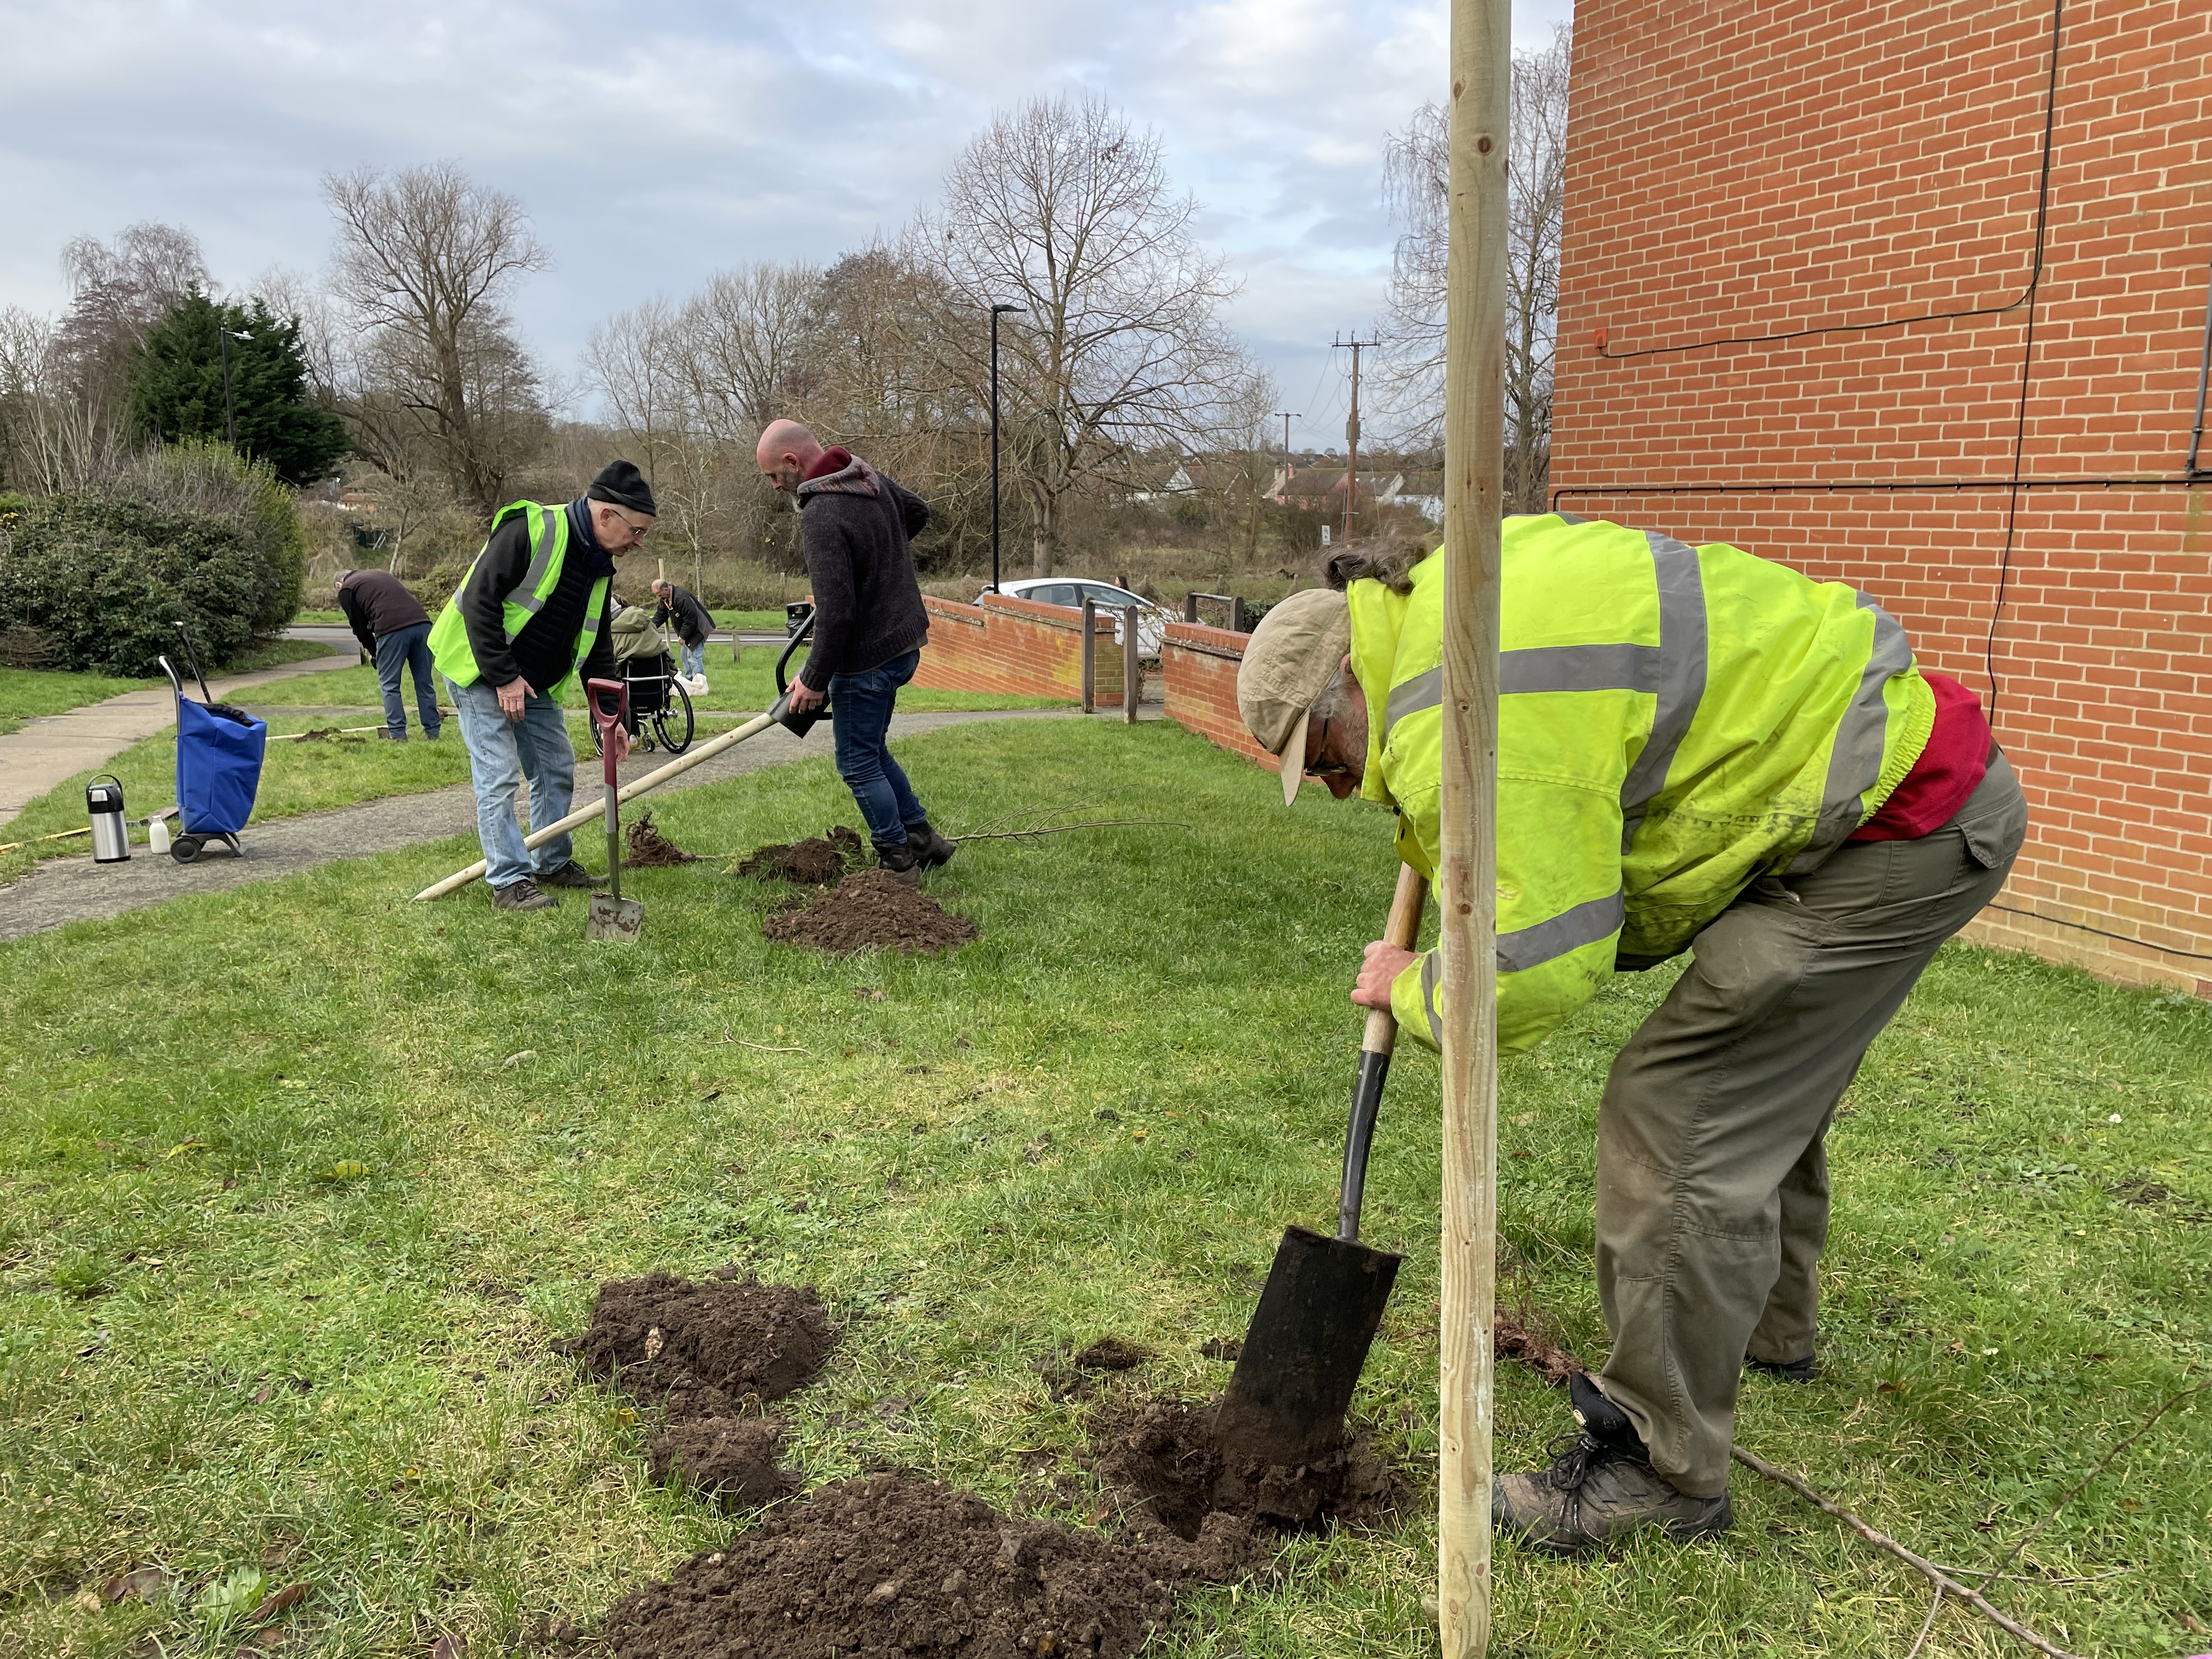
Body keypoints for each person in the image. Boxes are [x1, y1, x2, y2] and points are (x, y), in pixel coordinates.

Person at [1235, 514, 2027, 1554]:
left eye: (1324, 753)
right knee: (1755, 1069)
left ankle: (1663, 1469)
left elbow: (1529, 970)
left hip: (1898, 827)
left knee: (1680, 1109)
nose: (1337, 782)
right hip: (1883, 784)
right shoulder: (1448, 599)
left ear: (1349, 675)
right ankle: (1768, 1333)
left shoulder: (1456, 709)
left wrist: (1416, 981)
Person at [426, 461, 652, 912]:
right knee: (499, 773)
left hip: (537, 683)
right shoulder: (533, 531)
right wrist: (504, 677)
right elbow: (479, 599)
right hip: (477, 667)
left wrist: (613, 719)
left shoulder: (599, 565)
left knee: (556, 767)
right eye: (637, 530)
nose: (639, 541)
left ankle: (551, 862)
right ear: (606, 515)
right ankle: (509, 882)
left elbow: (598, 642)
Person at [755, 419, 955, 884]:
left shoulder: (821, 511)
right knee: (872, 748)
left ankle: (897, 862)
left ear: (793, 462)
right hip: (903, 642)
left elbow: (839, 614)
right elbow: (918, 511)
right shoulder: (866, 477)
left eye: (773, 476)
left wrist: (814, 678)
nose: (772, 487)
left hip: (868, 656)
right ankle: (924, 839)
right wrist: (878, 562)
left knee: (856, 761)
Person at [335, 566, 440, 741]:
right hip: (422, 624)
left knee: (390, 684)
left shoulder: (347, 589)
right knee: (424, 682)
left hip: (392, 630)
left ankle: (397, 735)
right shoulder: (380, 573)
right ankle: (432, 732)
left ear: (339, 584)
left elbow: (359, 627)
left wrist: (374, 652)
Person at [650, 577, 714, 690]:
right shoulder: (666, 599)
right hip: (689, 629)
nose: (659, 598)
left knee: (693, 657)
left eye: (659, 595)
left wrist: (683, 636)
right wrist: (650, 627)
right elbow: (661, 615)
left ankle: (701, 685)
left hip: (698, 629)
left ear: (666, 590)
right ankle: (690, 682)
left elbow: (691, 619)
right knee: (684, 656)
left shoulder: (681, 598)